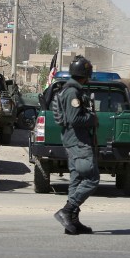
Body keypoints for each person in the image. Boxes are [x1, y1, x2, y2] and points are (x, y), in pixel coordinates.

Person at [53, 56, 99, 235]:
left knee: (77, 180)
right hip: (78, 141)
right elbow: (74, 118)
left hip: (73, 141)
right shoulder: (73, 92)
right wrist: (92, 119)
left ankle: (72, 222)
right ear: (85, 74)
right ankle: (66, 210)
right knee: (91, 178)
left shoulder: (70, 90)